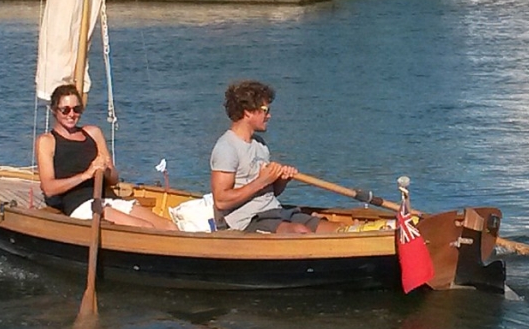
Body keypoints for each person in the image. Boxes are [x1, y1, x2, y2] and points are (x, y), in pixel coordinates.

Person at [210, 80, 343, 234]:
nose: (269, 116)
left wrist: (281, 181)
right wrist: (262, 181)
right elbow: (221, 200)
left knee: (336, 228)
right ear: (248, 112)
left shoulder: (260, 144)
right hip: (247, 221)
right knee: (299, 231)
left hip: (275, 212)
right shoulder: (226, 147)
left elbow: (269, 192)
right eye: (265, 110)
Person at [36, 84, 176, 230]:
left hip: (109, 198)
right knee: (144, 227)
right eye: (65, 110)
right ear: (54, 110)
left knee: (169, 226)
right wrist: (86, 175)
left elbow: (114, 178)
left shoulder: (93, 133)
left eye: (76, 109)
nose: (71, 114)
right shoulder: (47, 141)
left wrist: (105, 170)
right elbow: (49, 188)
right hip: (82, 204)